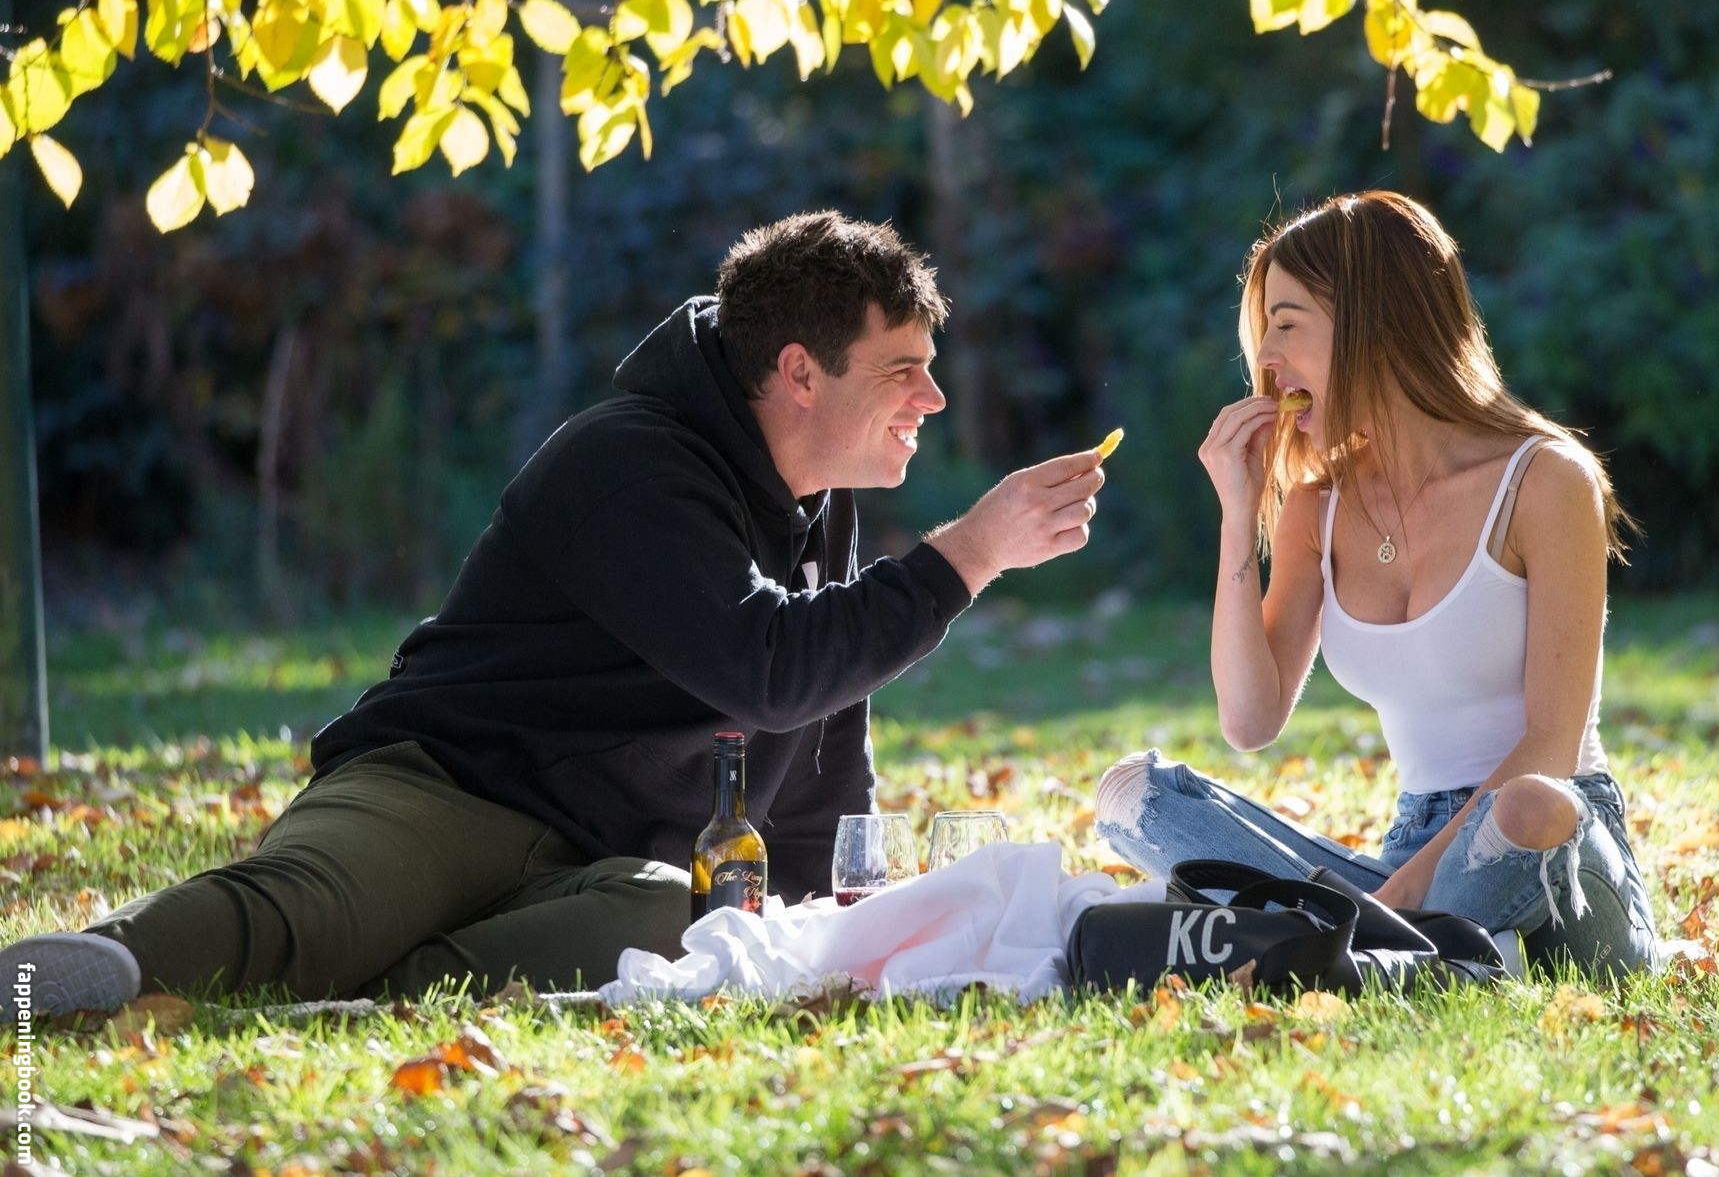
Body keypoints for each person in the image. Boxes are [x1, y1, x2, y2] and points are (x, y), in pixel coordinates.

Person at [4, 211, 1107, 1016]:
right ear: (800, 373)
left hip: (595, 859)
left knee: (679, 921)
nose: (933, 398)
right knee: (314, 905)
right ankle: (66, 974)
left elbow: (820, 735)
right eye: (903, 370)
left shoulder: (822, 506)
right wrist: (971, 553)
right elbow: (767, 667)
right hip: (446, 788)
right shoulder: (629, 463)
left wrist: (825, 925)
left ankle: (364, 991)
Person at [1094, 191, 1657, 978]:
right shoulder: (1317, 506)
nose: (1266, 361)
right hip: (1407, 858)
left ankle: (1362, 947)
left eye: (1286, 325)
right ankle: (1425, 958)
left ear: (1375, 320)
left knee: (1530, 803)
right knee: (1136, 794)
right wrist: (1238, 513)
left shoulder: (1545, 480)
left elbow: (1552, 746)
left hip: (1550, 846)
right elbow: (1249, 719)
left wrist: (1395, 898)